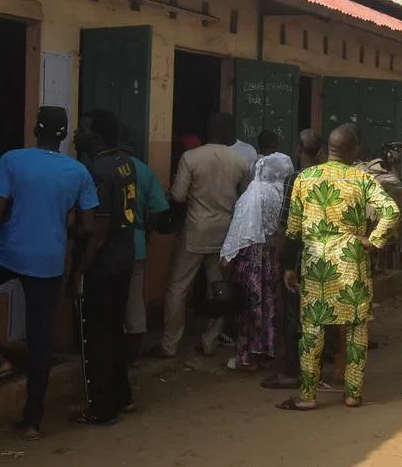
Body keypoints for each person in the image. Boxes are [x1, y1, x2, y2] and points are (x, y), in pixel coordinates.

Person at [0, 106, 98, 440]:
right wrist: (55, 230)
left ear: (34, 129)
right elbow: (87, 227)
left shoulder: (12, 160)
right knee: (40, 338)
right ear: (65, 135)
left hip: (8, 251)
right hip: (49, 260)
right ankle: (32, 421)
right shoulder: (79, 172)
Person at [278, 124, 401, 410]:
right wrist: (373, 242)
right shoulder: (362, 179)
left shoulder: (305, 179)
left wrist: (288, 266)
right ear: (354, 150)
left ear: (328, 149)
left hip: (316, 265)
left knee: (313, 330)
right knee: (356, 328)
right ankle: (352, 394)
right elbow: (391, 211)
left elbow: (293, 229)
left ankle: (307, 396)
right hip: (352, 264)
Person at [155, 111, 249, 359]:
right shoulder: (240, 161)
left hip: (195, 230)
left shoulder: (191, 157)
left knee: (178, 287)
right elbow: (244, 199)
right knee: (219, 287)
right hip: (225, 233)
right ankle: (209, 341)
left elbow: (177, 196)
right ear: (229, 132)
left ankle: (170, 344)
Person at [69, 110, 138, 426]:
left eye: (82, 129)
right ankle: (122, 396)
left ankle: (101, 407)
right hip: (124, 254)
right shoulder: (125, 162)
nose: (75, 133)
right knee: (113, 329)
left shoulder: (96, 170)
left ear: (95, 136)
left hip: (104, 259)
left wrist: (82, 267)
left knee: (96, 333)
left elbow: (100, 224)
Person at [262, 130, 324, 390]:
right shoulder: (328, 179)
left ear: (299, 148)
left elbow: (287, 226)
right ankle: (317, 367)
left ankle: (291, 370)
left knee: (292, 313)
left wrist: (282, 261)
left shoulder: (295, 179)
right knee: (318, 314)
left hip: (299, 257)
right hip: (325, 256)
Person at [221, 151, 294, 370]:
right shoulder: (283, 191)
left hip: (252, 255)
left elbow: (243, 227)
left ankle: (245, 357)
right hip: (273, 253)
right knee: (270, 302)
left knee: (249, 304)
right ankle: (267, 350)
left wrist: (227, 254)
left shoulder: (256, 192)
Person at [122, 139, 172, 359]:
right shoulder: (144, 171)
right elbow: (160, 209)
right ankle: (133, 355)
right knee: (134, 300)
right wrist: (146, 232)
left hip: (105, 245)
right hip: (136, 242)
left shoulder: (102, 166)